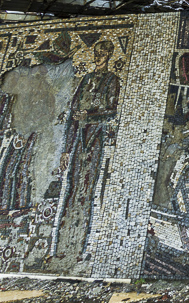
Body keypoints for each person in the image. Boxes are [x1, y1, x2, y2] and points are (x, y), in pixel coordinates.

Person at [52, 40, 119, 261]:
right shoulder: (86, 79)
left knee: (87, 188)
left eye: (102, 53)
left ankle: (78, 248)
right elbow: (73, 114)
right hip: (79, 138)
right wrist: (66, 150)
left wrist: (89, 116)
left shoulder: (112, 80)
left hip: (95, 138)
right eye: (96, 52)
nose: (98, 56)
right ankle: (60, 249)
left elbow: (110, 111)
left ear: (109, 55)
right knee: (71, 188)